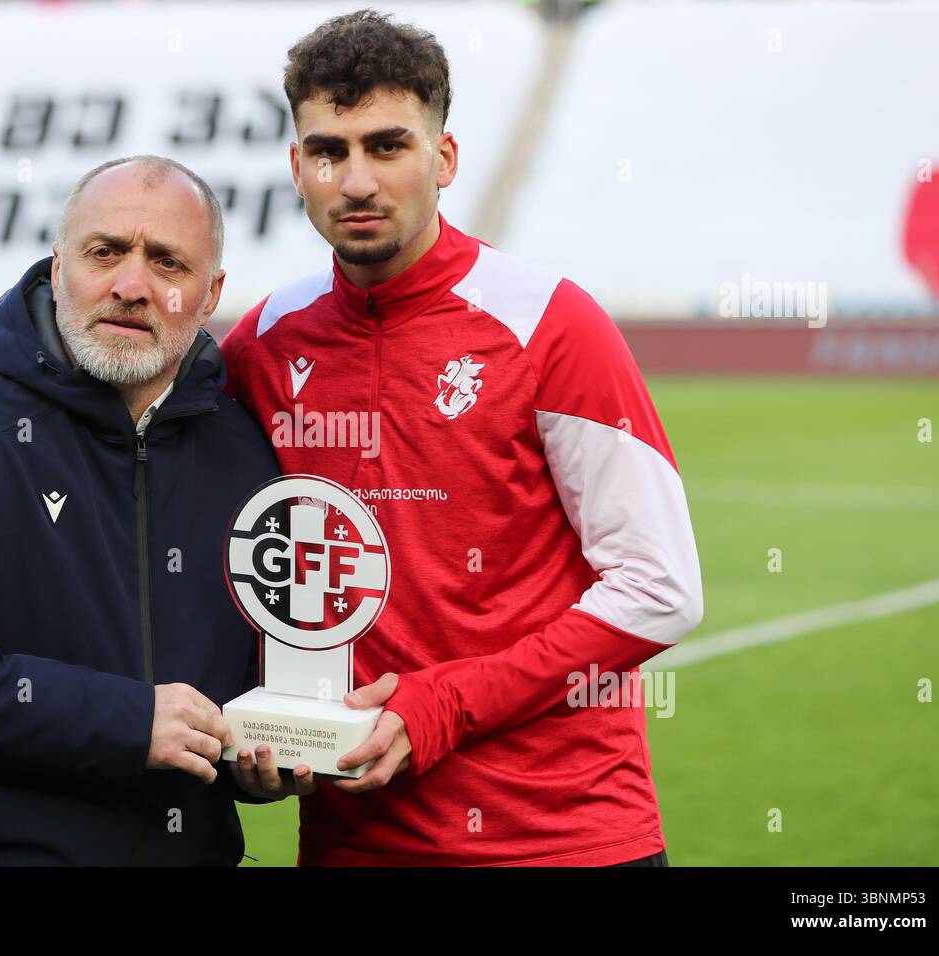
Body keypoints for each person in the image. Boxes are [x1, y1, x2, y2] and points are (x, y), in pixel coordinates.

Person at [220, 10, 705, 866]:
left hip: (565, 839)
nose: (357, 181)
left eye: (388, 146)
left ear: (444, 159)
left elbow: (660, 587)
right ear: (297, 168)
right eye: (329, 151)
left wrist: (443, 701)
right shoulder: (264, 344)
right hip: (353, 841)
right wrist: (249, 728)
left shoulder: (552, 324)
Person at [0, 155, 299, 866]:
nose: (131, 286)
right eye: (105, 253)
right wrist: (129, 722)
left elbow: (236, 689)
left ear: (210, 293)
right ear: (57, 265)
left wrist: (264, 755)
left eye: (168, 263)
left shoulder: (244, 455)